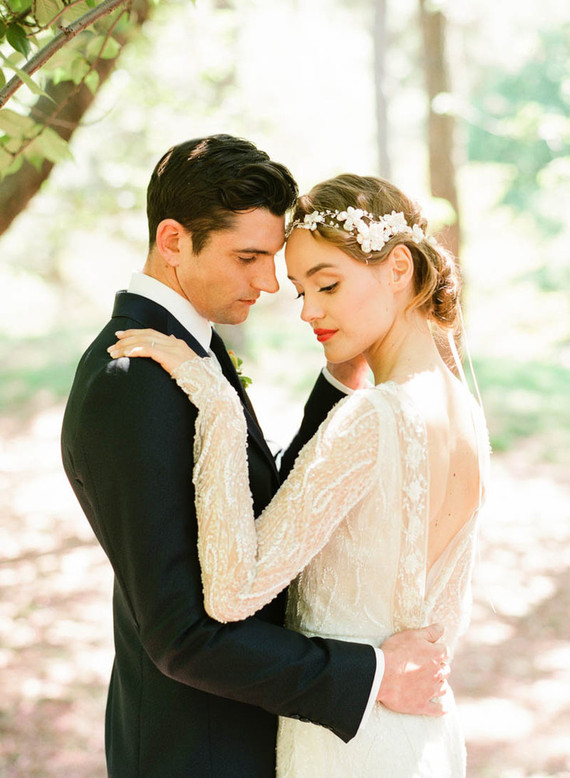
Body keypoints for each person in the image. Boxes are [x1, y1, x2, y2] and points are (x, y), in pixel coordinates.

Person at [61, 138, 450, 777]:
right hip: (198, 751)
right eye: (249, 258)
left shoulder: (190, 351)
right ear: (173, 240)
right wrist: (372, 675)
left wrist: (333, 387)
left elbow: (253, 515)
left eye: (272, 259)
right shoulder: (130, 381)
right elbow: (181, 637)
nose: (269, 284)